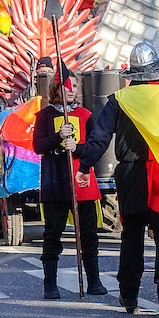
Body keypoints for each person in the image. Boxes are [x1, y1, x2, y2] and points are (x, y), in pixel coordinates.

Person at [76, 43, 159, 316]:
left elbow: (99, 138)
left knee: (132, 237)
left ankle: (129, 296)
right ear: (157, 72)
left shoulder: (119, 99)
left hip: (131, 174)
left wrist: (85, 166)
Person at [33, 70, 106, 299]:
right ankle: (50, 285)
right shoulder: (44, 116)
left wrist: (78, 149)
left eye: (74, 85)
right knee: (52, 234)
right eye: (66, 85)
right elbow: (38, 146)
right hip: (56, 181)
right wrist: (57, 137)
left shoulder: (85, 115)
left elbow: (95, 147)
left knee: (89, 234)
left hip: (81, 181)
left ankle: (94, 281)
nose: (71, 89)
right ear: (56, 88)